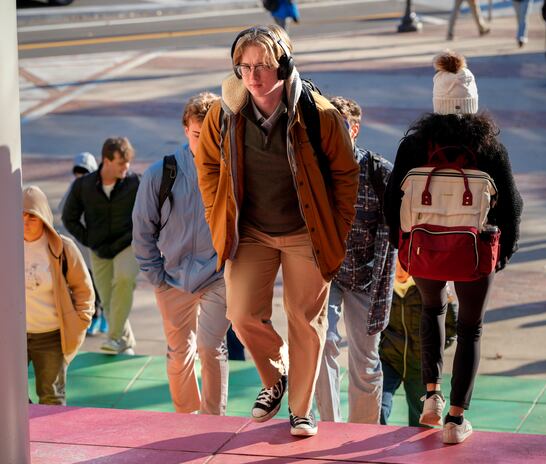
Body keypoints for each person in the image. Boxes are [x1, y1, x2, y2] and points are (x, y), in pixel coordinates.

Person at [194, 25, 359, 436]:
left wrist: (335, 229)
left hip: (306, 233)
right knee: (242, 313)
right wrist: (218, 211)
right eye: (244, 67)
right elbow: (208, 166)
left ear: (283, 65)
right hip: (250, 231)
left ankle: (302, 411)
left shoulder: (319, 115)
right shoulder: (224, 114)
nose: (253, 76)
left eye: (263, 66)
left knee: (304, 320)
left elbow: (345, 175)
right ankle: (275, 377)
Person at [383, 50, 523, 444]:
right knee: (471, 328)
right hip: (475, 251)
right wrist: (505, 250)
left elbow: (392, 199)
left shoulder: (414, 146)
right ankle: (456, 419)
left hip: (424, 247)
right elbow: (512, 204)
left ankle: (431, 395)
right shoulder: (489, 147)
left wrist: (402, 243)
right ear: (473, 101)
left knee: (431, 310)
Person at [132, 92, 231, 415]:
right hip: (172, 277)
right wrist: (157, 277)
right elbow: (143, 230)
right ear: (185, 129)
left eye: (213, 135)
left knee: (211, 348)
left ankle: (214, 420)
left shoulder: (232, 172)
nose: (205, 143)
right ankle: (185, 418)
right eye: (198, 135)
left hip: (218, 275)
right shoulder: (161, 174)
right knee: (179, 352)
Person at [314, 96, 397, 425]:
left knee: (365, 361)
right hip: (326, 274)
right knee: (322, 345)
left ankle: (360, 433)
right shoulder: (315, 171)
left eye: (340, 127)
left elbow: (391, 239)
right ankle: (330, 427)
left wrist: (383, 294)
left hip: (367, 277)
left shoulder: (379, 173)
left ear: (355, 129)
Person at [62, 137, 140, 355]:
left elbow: (150, 213)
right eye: (121, 163)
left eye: (128, 163)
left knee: (125, 279)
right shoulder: (83, 186)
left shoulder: (135, 183)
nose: (126, 168)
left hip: (128, 244)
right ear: (106, 160)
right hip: (99, 249)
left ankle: (114, 338)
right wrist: (89, 239)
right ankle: (125, 341)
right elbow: (70, 218)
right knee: (108, 301)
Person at [24, 185, 95, 405]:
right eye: (20, 216)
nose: (25, 222)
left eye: (32, 217)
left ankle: (46, 440)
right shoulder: (6, 244)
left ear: (44, 218)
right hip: (12, 336)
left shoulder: (62, 247)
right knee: (7, 394)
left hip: (51, 336)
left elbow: (84, 290)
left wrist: (80, 321)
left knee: (51, 396)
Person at [379, 262, 458, 427]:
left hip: (420, 366)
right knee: (377, 408)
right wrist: (382, 346)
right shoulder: (384, 286)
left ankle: (420, 451)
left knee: (423, 421)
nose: (400, 271)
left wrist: (431, 351)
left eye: (404, 265)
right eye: (396, 264)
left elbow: (451, 326)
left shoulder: (428, 288)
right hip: (389, 360)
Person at [59, 152, 107, 337]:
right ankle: (95, 316)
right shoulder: (74, 188)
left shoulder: (99, 188)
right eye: (78, 172)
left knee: (102, 283)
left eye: (85, 172)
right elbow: (63, 210)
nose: (81, 176)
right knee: (88, 284)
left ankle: (105, 317)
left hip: (97, 246)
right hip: (82, 246)